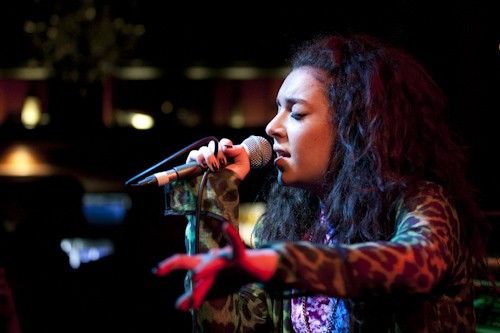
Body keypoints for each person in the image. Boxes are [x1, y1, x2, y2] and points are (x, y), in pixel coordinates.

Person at [152, 33, 497, 332]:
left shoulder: (420, 200)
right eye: (277, 109)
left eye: (297, 113)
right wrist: (215, 195)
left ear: (354, 130)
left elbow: (413, 265)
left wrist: (280, 263)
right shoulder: (295, 226)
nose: (272, 127)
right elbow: (225, 326)